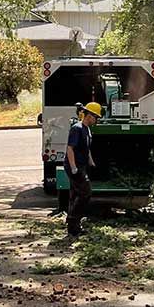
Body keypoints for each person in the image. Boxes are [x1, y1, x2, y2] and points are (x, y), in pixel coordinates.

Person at [65, 101, 102, 238]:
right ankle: (73, 221)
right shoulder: (77, 128)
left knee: (75, 194)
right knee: (85, 193)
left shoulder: (87, 129)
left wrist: (91, 161)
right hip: (74, 166)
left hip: (82, 165)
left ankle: (73, 227)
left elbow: (86, 148)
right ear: (89, 115)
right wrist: (74, 167)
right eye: (96, 117)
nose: (96, 120)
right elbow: (70, 149)